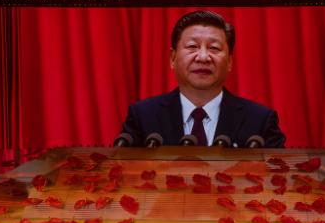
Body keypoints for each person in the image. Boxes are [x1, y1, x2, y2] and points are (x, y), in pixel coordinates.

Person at [118, 10, 286, 147]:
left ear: (229, 62)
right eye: (192, 46)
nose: (203, 57)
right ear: (172, 58)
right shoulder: (143, 117)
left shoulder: (259, 121)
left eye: (214, 48)